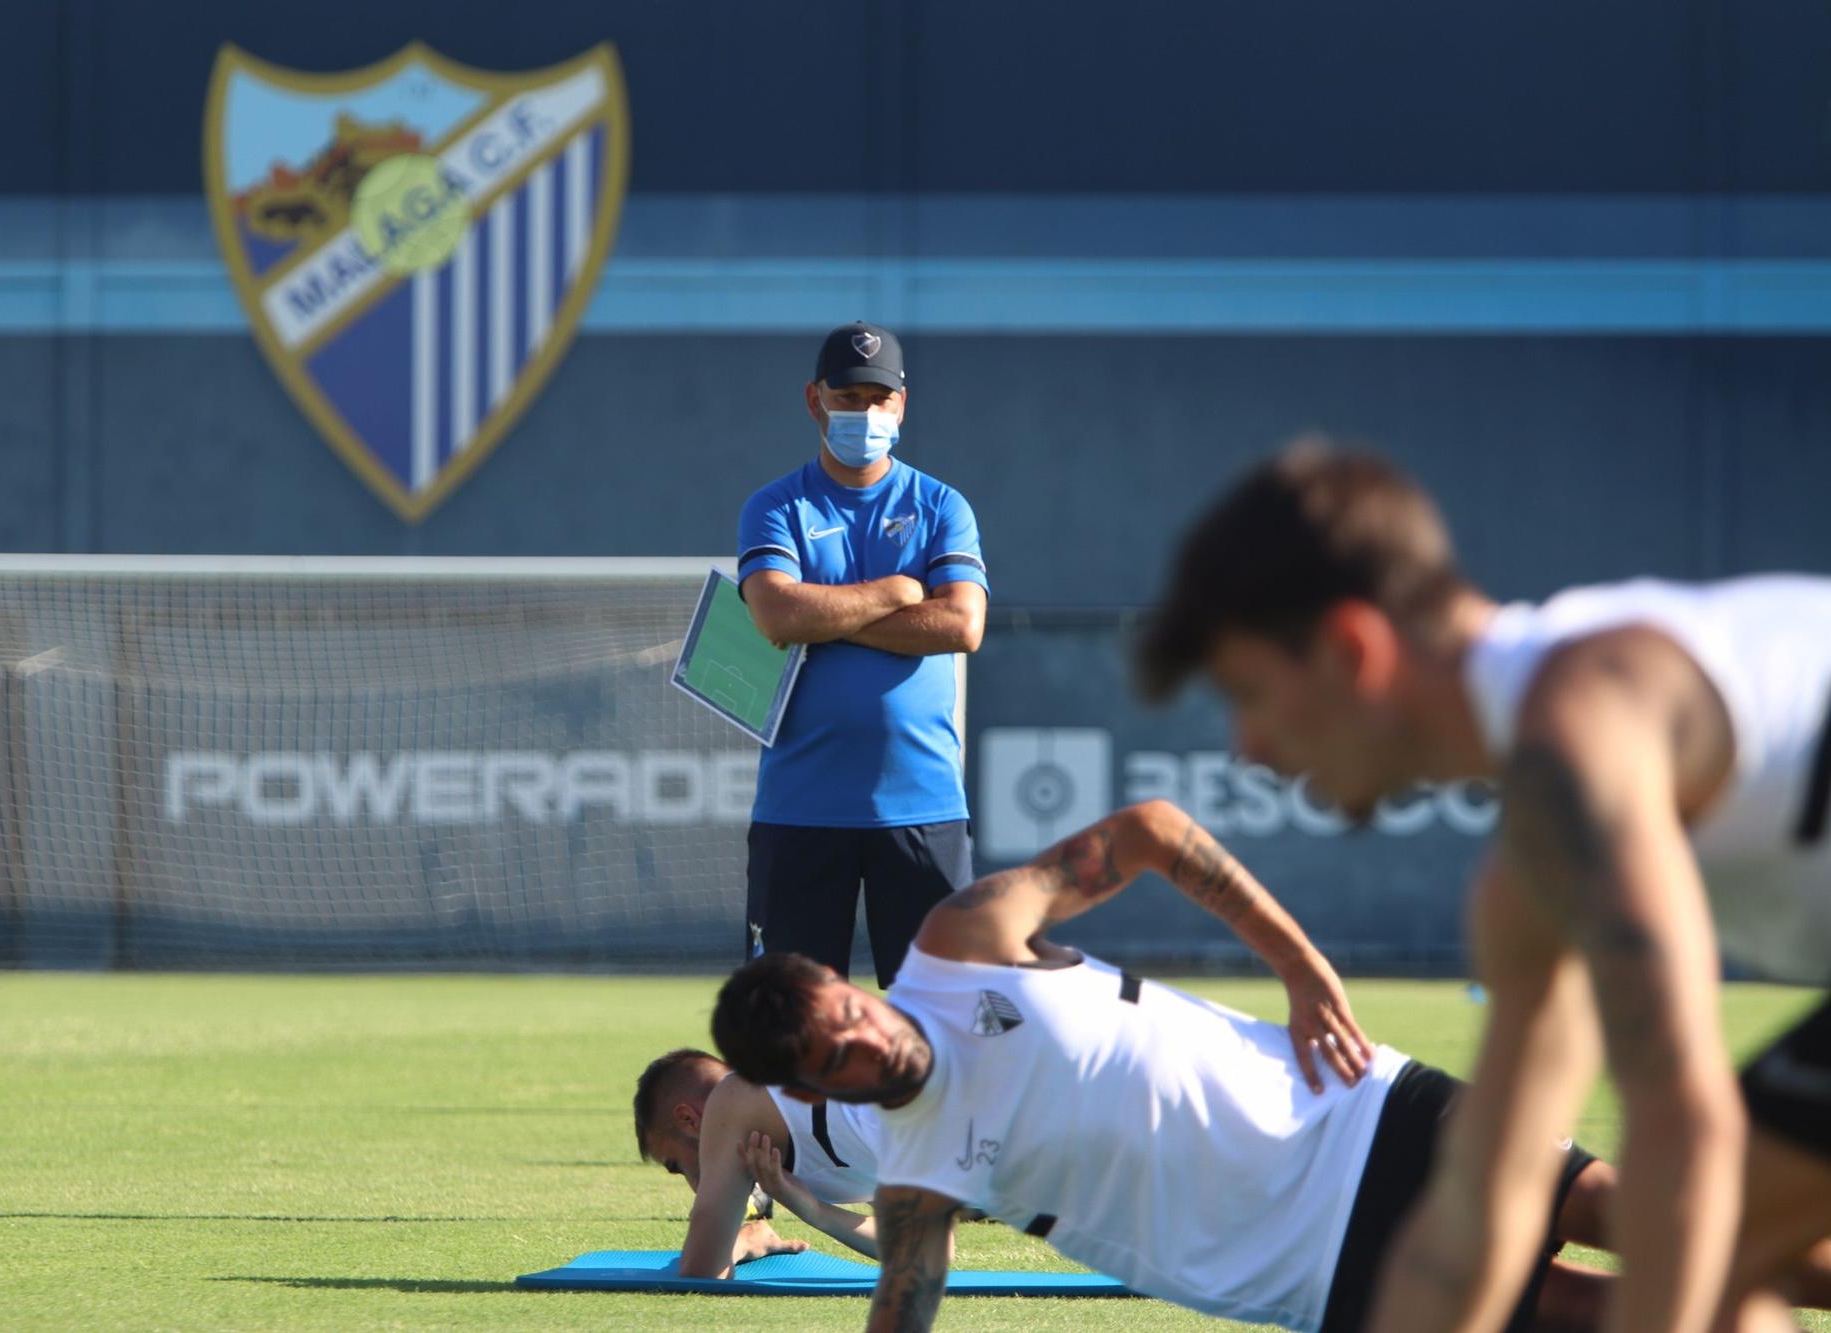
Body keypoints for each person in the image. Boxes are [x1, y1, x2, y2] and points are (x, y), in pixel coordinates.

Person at [1134, 442, 1831, 1332]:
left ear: (1352, 648)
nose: (1248, 748)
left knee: (1702, 1239)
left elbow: (1681, 1135)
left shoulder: (1576, 736)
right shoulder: (1532, 861)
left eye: (1250, 692)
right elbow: (1478, 1213)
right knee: (1709, 1260)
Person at [710, 799, 1626, 1333]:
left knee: (1661, 1211)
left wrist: (1299, 966)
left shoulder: (963, 941)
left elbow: (1149, 830)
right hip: (1323, 1266)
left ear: (843, 982)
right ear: (805, 1090)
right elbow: (902, 1307)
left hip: (1360, 1112)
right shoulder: (914, 1180)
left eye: (852, 1014)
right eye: (838, 1057)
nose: (870, 1038)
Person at [734, 320, 988, 986]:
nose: (864, 413)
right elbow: (774, 612)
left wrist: (823, 615)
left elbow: (962, 623)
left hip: (924, 806)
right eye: (847, 398)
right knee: (792, 1030)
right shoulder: (775, 506)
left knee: (939, 1026)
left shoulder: (941, 506)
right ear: (814, 400)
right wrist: (894, 592)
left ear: (901, 403)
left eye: (878, 399)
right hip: (799, 807)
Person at [632, 1046, 883, 1275]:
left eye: (676, 1166)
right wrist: (816, 1212)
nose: (695, 1189)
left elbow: (702, 1272)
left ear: (689, 1120)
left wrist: (739, 1243)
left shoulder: (734, 1102)